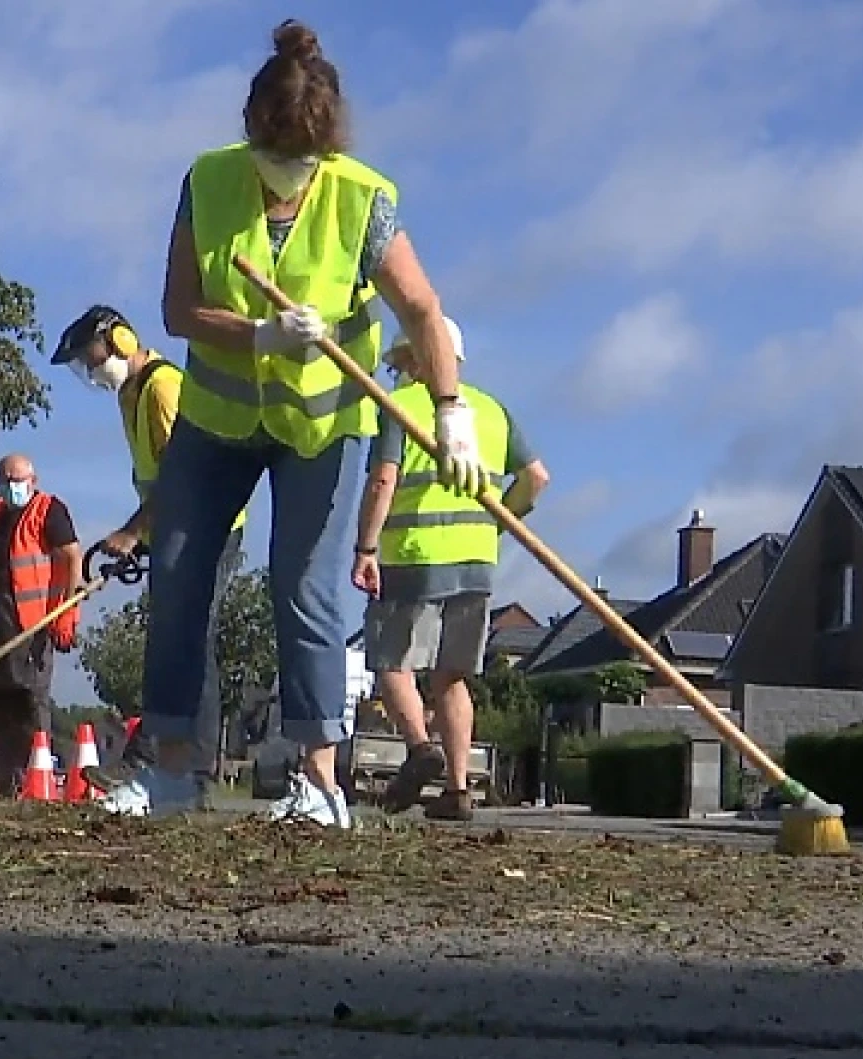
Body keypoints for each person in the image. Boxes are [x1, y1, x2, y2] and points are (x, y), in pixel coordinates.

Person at [92, 19, 487, 823]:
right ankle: (173, 772)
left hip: (322, 429)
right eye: (273, 159)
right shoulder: (208, 182)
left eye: (299, 163)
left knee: (304, 589)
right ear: (249, 133)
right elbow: (177, 309)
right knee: (178, 575)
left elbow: (421, 307)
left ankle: (319, 783)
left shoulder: (362, 198)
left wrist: (451, 412)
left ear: (325, 148)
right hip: (217, 421)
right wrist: (260, 333)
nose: (284, 177)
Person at [352, 315, 548, 821]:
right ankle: (458, 791)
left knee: (392, 662)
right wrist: (496, 523)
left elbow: (382, 482)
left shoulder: (401, 406)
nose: (395, 371)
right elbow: (535, 479)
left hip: (414, 555)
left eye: (398, 362)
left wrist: (365, 548)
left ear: (416, 357)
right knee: (452, 678)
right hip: (476, 559)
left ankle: (420, 750)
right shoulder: (490, 410)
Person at [50, 304, 246, 806]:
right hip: (174, 527)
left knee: (189, 639)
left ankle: (188, 771)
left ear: (118, 339)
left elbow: (182, 475)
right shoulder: (129, 396)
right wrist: (142, 534)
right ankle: (156, 762)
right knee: (171, 639)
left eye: (91, 358)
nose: (91, 371)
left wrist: (130, 532)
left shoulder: (162, 388)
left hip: (210, 527)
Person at [0, 453, 85, 796]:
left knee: (28, 696)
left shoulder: (49, 510)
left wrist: (66, 614)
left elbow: (72, 557)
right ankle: (5, 775)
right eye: (6, 480)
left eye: (19, 480)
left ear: (33, 479)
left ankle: (36, 774)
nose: (13, 486)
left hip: (31, 623)